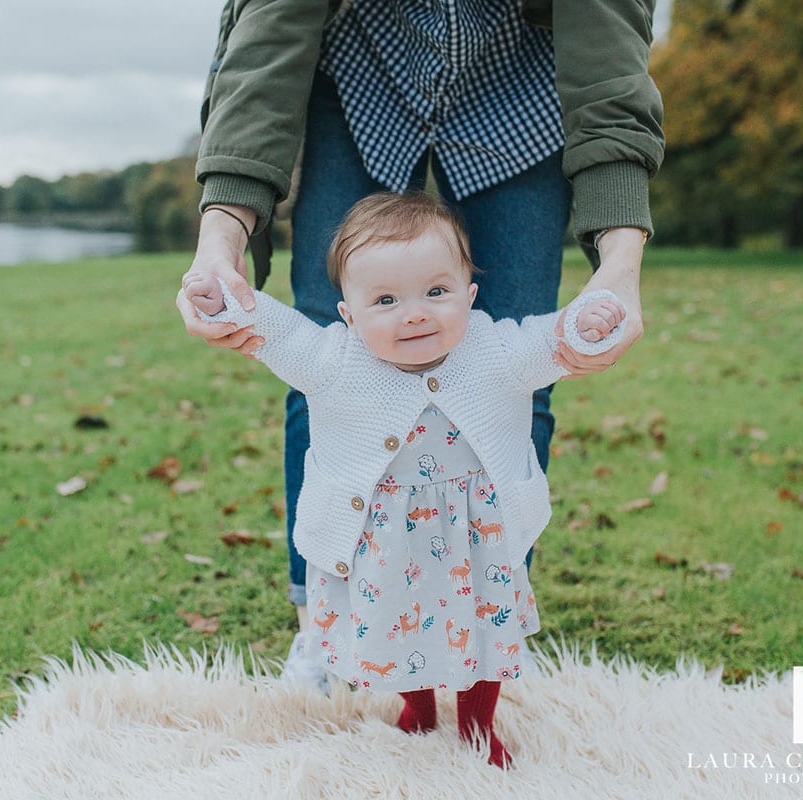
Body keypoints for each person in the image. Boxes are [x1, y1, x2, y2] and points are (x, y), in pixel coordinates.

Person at [179, 0, 664, 686]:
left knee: (519, 377)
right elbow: (264, 44)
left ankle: (490, 620)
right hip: (354, 76)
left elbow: (609, 52)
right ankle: (327, 627)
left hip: (522, 88)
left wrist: (617, 266)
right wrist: (221, 240)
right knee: (328, 362)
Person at [177, 191, 627, 767]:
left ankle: (477, 722)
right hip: (386, 539)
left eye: (436, 292)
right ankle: (416, 705)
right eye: (385, 299)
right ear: (349, 314)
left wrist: (589, 323)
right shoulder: (333, 358)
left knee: (481, 632)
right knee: (397, 622)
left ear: (469, 296)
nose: (415, 312)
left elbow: (553, 340)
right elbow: (279, 330)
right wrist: (226, 302)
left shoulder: (495, 348)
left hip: (476, 541)